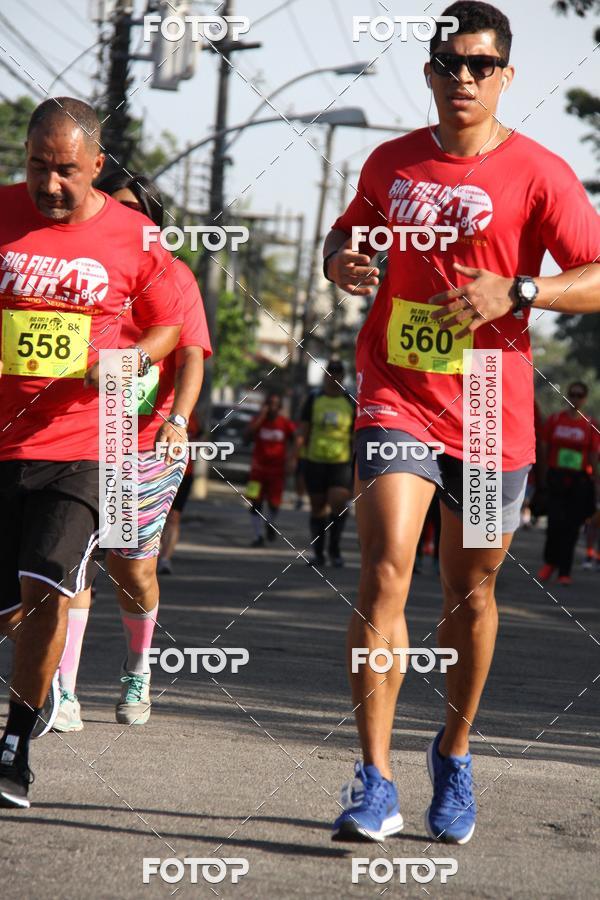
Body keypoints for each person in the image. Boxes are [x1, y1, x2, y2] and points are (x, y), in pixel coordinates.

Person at [322, 1, 600, 844]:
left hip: (487, 404)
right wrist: (344, 258)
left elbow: (596, 273)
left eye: (481, 65)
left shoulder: (541, 173)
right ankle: (375, 779)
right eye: (450, 63)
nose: (465, 78)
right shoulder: (391, 161)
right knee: (385, 572)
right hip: (395, 391)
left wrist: (518, 291)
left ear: (506, 75)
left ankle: (456, 750)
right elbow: (347, 237)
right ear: (430, 71)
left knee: (469, 592)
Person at [0, 98, 184, 808]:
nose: (50, 185)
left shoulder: (134, 235)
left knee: (48, 579)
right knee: (9, 602)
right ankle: (36, 688)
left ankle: (16, 741)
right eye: (38, 167)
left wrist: (136, 360)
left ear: (97, 168)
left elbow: (171, 325)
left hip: (83, 442)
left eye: (67, 171)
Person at [52, 171, 211, 733]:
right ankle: (63, 688)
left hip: (146, 440)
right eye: (112, 206)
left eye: (135, 212)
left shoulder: (175, 275)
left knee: (132, 569)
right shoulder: (81, 269)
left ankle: (138, 670)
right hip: (80, 435)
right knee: (73, 563)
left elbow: (191, 355)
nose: (122, 219)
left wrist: (178, 418)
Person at [537, 382, 598, 585]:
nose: (575, 399)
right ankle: (550, 563)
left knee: (571, 528)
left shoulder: (590, 424)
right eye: (572, 394)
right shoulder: (555, 420)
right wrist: (543, 476)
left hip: (579, 481)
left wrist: (595, 483)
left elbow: (593, 456)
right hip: (556, 478)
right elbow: (544, 448)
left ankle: (565, 571)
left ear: (585, 399)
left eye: (580, 395)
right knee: (554, 523)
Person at [299, 360, 355, 567]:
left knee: (338, 505)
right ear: (325, 375)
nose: (334, 376)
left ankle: (335, 549)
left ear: (343, 376)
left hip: (340, 462)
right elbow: (303, 430)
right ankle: (319, 552)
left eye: (338, 373)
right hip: (315, 459)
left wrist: (358, 462)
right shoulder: (314, 399)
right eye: (330, 372)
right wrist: (296, 457)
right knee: (318, 507)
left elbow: (355, 435)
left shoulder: (349, 402)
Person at [245, 392, 296, 547]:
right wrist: (261, 417)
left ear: (279, 407)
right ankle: (257, 535)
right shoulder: (258, 421)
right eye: (269, 404)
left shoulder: (284, 423)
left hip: (277, 471)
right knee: (255, 502)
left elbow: (296, 440)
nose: (272, 407)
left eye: (275, 404)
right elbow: (247, 436)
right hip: (257, 470)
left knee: (274, 503)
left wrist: (292, 459)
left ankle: (270, 523)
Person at [158, 408, 202, 575]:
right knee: (158, 516)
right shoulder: (158, 408)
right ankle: (150, 556)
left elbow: (197, 436)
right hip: (157, 471)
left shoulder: (189, 413)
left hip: (184, 473)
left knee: (174, 517)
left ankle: (165, 559)